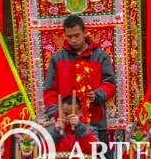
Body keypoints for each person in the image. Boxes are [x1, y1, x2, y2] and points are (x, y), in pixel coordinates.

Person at [44, 14, 116, 145]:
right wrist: (56, 113)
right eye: (69, 36)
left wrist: (98, 94)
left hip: (95, 122)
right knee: (67, 158)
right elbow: (50, 90)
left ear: (85, 32)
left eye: (77, 35)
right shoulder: (57, 58)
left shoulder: (100, 56)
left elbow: (110, 83)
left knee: (98, 157)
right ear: (65, 35)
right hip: (66, 124)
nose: (73, 40)